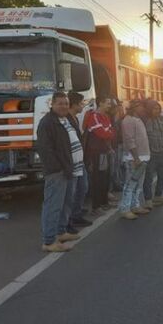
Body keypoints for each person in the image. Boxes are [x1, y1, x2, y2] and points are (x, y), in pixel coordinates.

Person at [36, 92, 83, 252]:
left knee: (66, 202)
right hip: (58, 171)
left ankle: (61, 231)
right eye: (60, 103)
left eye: (66, 103)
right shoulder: (47, 123)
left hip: (72, 168)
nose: (63, 106)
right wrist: (57, 168)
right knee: (53, 205)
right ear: (52, 104)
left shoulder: (66, 119)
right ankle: (49, 241)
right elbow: (45, 149)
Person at [83, 95, 115, 215]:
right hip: (96, 153)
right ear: (100, 103)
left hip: (104, 151)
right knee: (97, 179)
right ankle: (96, 207)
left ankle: (104, 202)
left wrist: (108, 134)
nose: (109, 105)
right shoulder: (94, 116)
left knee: (105, 177)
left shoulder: (105, 116)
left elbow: (110, 132)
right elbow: (104, 133)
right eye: (107, 103)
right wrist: (108, 133)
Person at [119, 100, 150, 220]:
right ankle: (125, 208)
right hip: (134, 158)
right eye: (142, 106)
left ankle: (135, 205)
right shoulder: (128, 120)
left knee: (138, 184)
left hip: (143, 157)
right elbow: (129, 140)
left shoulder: (138, 119)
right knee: (130, 184)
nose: (143, 109)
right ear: (136, 107)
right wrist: (136, 157)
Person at [66, 92, 93, 228]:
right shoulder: (66, 120)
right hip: (71, 161)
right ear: (75, 104)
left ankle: (76, 213)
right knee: (72, 191)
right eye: (81, 103)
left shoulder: (75, 118)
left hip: (79, 159)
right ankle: (69, 219)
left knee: (83, 186)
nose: (83, 106)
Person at [142, 100, 163, 210]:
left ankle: (158, 196)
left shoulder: (162, 120)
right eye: (154, 108)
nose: (157, 110)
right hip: (150, 153)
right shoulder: (145, 121)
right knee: (148, 177)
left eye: (158, 109)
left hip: (161, 152)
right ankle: (148, 200)